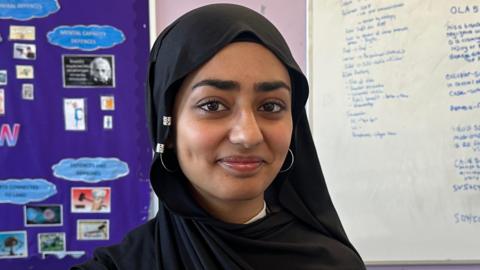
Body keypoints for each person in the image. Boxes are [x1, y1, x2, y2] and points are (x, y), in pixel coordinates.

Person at [72, 4, 366, 270]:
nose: (247, 135)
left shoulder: (335, 264)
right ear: (168, 126)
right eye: (212, 105)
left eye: (271, 106)